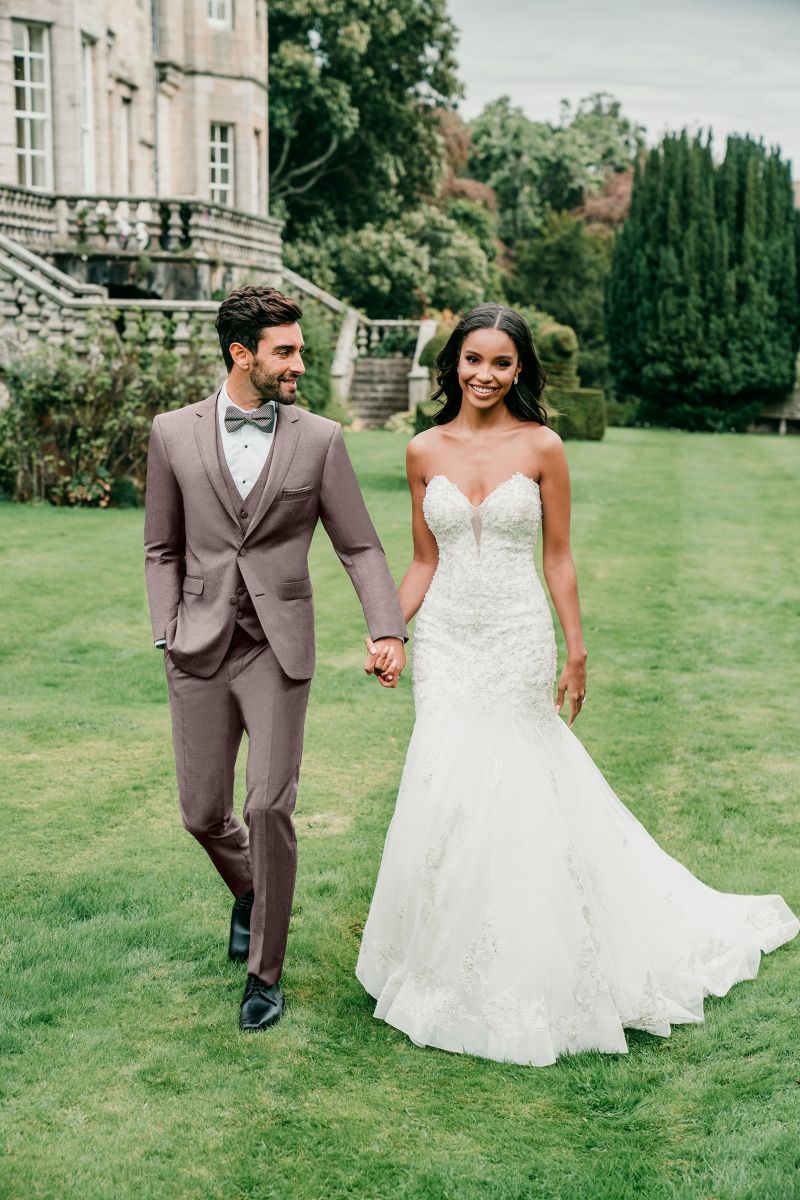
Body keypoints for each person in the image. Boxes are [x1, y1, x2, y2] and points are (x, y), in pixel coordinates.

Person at [356, 303, 798, 1067]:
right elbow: (425, 559)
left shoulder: (544, 447)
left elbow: (558, 557)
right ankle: (441, 958)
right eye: (472, 360)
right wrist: (390, 631)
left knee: (516, 782)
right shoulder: (423, 449)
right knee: (445, 782)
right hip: (450, 641)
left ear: (520, 369)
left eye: (500, 363)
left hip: (518, 635)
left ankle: (536, 960)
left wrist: (577, 649)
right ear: (453, 365)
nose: (484, 375)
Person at [144, 285, 406, 1032]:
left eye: (299, 349)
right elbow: (161, 545)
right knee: (202, 814)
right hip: (196, 645)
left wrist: (386, 627)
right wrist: (167, 626)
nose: (299, 363)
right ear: (241, 354)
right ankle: (253, 893)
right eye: (284, 351)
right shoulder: (172, 432)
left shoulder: (319, 439)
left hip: (277, 648)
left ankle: (265, 973)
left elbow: (358, 544)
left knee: (267, 805)